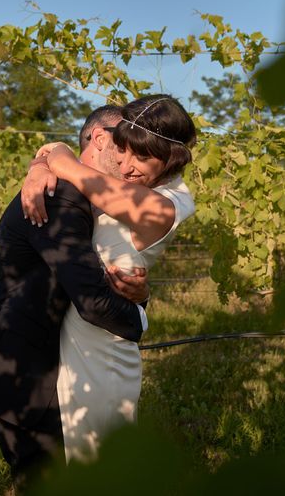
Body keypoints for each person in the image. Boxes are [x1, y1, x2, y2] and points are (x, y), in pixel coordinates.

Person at [0, 107, 151, 491]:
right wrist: (140, 318)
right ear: (100, 139)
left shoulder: (81, 197)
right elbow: (93, 300)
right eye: (126, 144)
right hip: (25, 376)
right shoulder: (58, 196)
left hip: (45, 367)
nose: (132, 159)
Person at [21, 94, 197, 463]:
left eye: (144, 158)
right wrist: (41, 164)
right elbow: (64, 152)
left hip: (102, 346)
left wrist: (53, 159)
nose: (128, 166)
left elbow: (76, 169)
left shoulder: (168, 204)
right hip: (75, 334)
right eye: (124, 150)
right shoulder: (131, 182)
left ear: (172, 159)